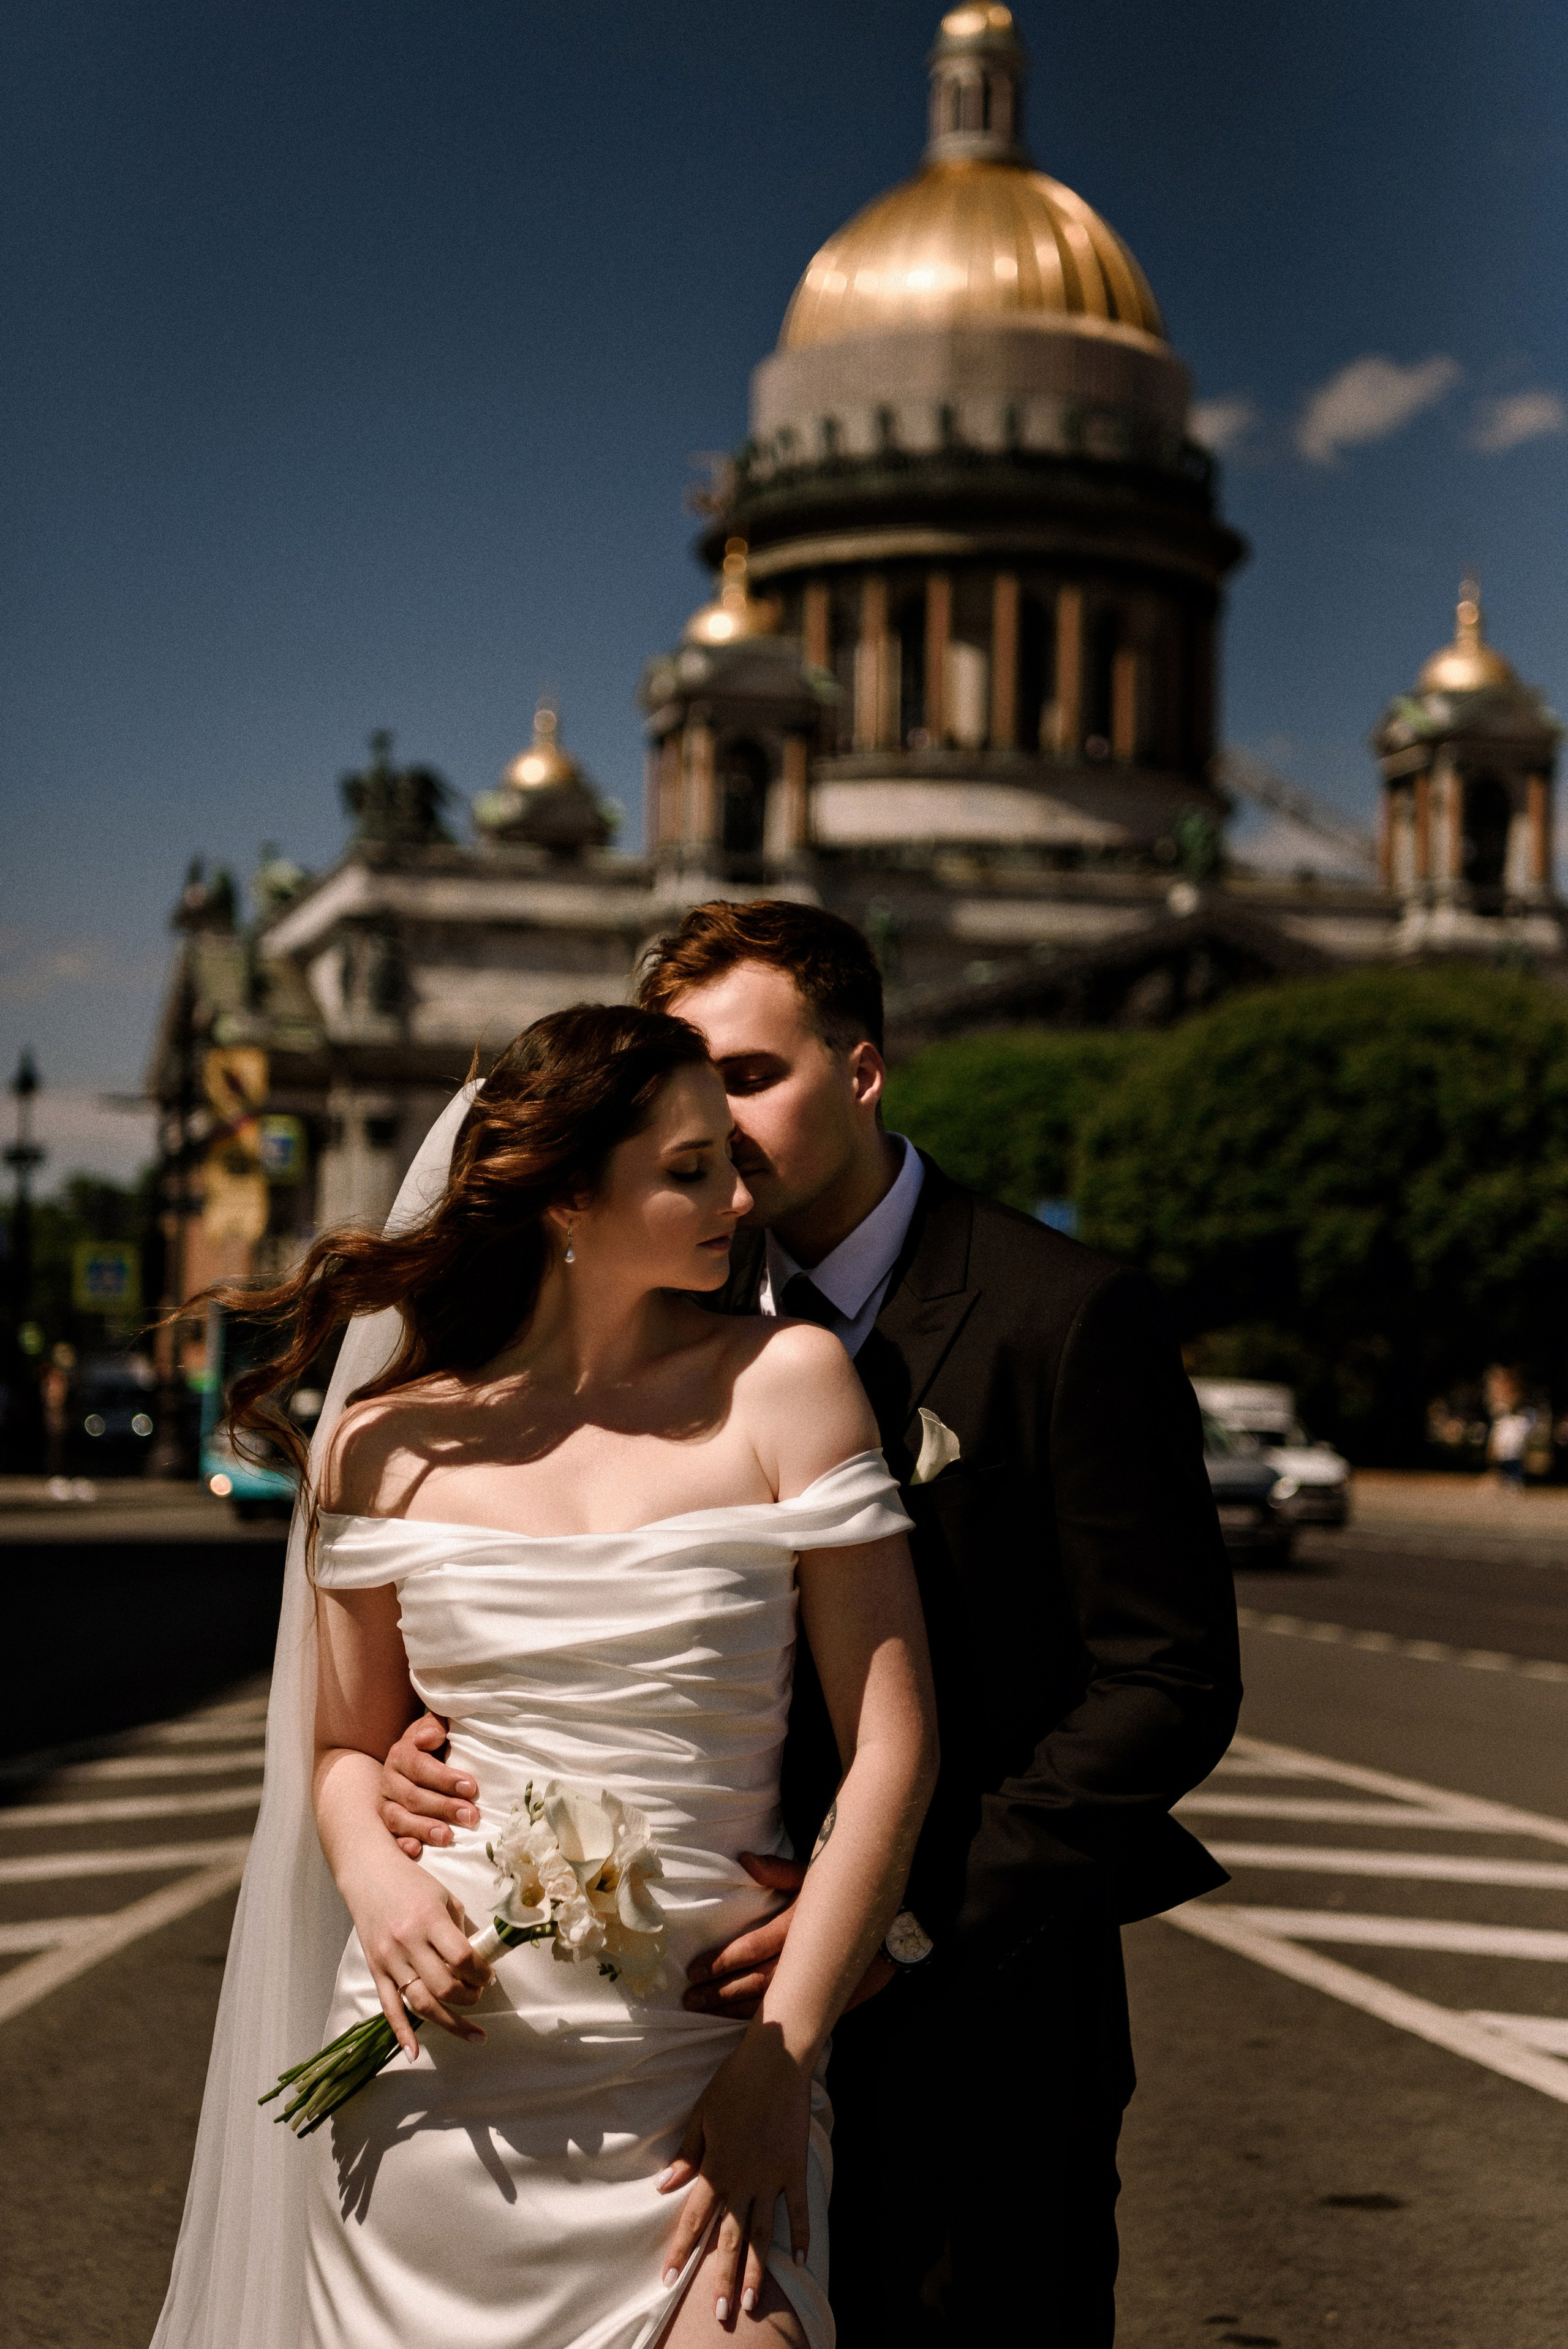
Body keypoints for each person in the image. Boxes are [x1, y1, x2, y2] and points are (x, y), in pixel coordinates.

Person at [383, 903, 1242, 2348]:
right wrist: (429, 1748)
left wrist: (892, 1922)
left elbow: (1165, 1683)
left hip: (974, 2015)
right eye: (686, 1083)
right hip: (665, 2027)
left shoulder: (1060, 1313)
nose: (714, 1123)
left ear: (860, 1070)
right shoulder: (655, 1299)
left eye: (749, 1075)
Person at [151, 1002, 937, 2349]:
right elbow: (343, 1749)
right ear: (568, 1197)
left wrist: (783, 2055)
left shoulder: (788, 1386)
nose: (737, 1199)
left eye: (729, 1160)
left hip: (705, 2067)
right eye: (688, 1169)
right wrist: (377, 1877)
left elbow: (892, 1745)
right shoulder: (383, 1445)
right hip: (436, 2070)